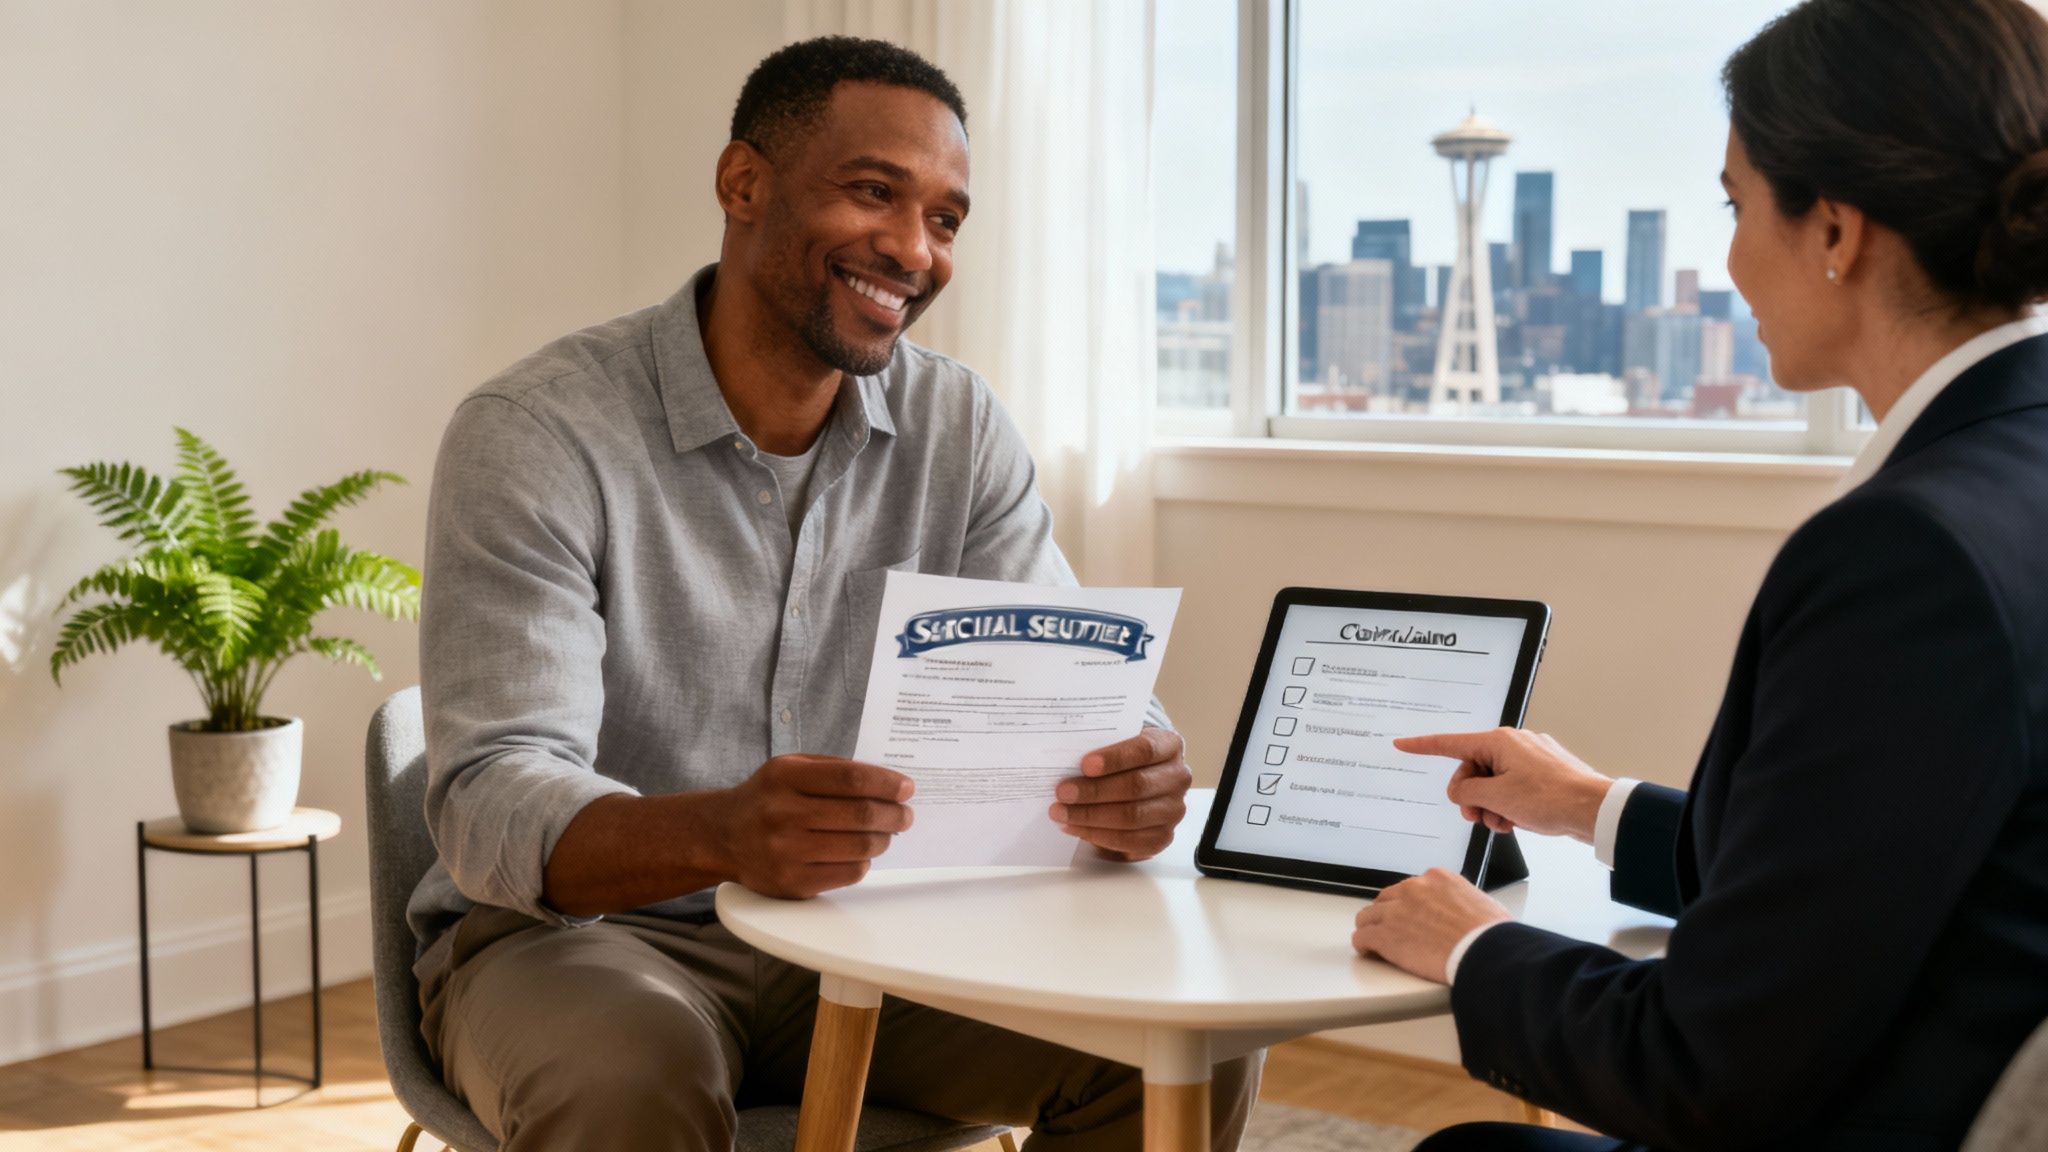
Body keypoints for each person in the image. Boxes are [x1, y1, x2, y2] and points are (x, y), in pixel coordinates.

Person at [411, 36, 1260, 1151]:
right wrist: (719, 832)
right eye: (873, 193)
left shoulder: (958, 430)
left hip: (876, 939)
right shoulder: (538, 435)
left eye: (945, 219)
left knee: (1180, 1044)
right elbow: (486, 802)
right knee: (627, 1075)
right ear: (742, 184)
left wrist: (1131, 768)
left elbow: (1078, 683)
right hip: (589, 942)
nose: (912, 250)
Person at [1349, 1, 2048, 1149]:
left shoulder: (1903, 554)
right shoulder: (2009, 476)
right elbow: (1871, 877)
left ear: (1831, 229)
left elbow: (1703, 1069)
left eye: (1732, 206)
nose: (1722, 256)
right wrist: (1590, 807)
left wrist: (1468, 945)